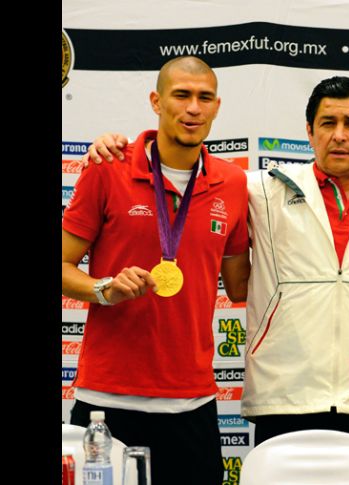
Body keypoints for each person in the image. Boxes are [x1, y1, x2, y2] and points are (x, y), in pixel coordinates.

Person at [82, 76, 349, 478]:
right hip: (285, 395)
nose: (340, 135)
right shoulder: (258, 188)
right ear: (309, 131)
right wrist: (110, 146)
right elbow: (183, 170)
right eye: (328, 123)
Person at [63, 56, 250, 485]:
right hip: (106, 403)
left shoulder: (234, 183)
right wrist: (104, 287)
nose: (193, 108)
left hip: (192, 403)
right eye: (181, 95)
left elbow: (240, 286)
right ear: (156, 101)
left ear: (217, 106)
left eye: (204, 98)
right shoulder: (108, 168)